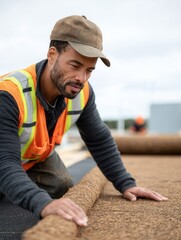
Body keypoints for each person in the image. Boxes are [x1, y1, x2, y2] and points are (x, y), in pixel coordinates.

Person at [0, 15, 167, 227]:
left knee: (61, 183)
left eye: (89, 70)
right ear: (52, 55)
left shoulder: (81, 92)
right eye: (75, 65)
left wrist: (126, 184)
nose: (82, 78)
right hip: (4, 158)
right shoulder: (10, 94)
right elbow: (4, 161)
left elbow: (99, 138)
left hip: (28, 159)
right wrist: (42, 203)